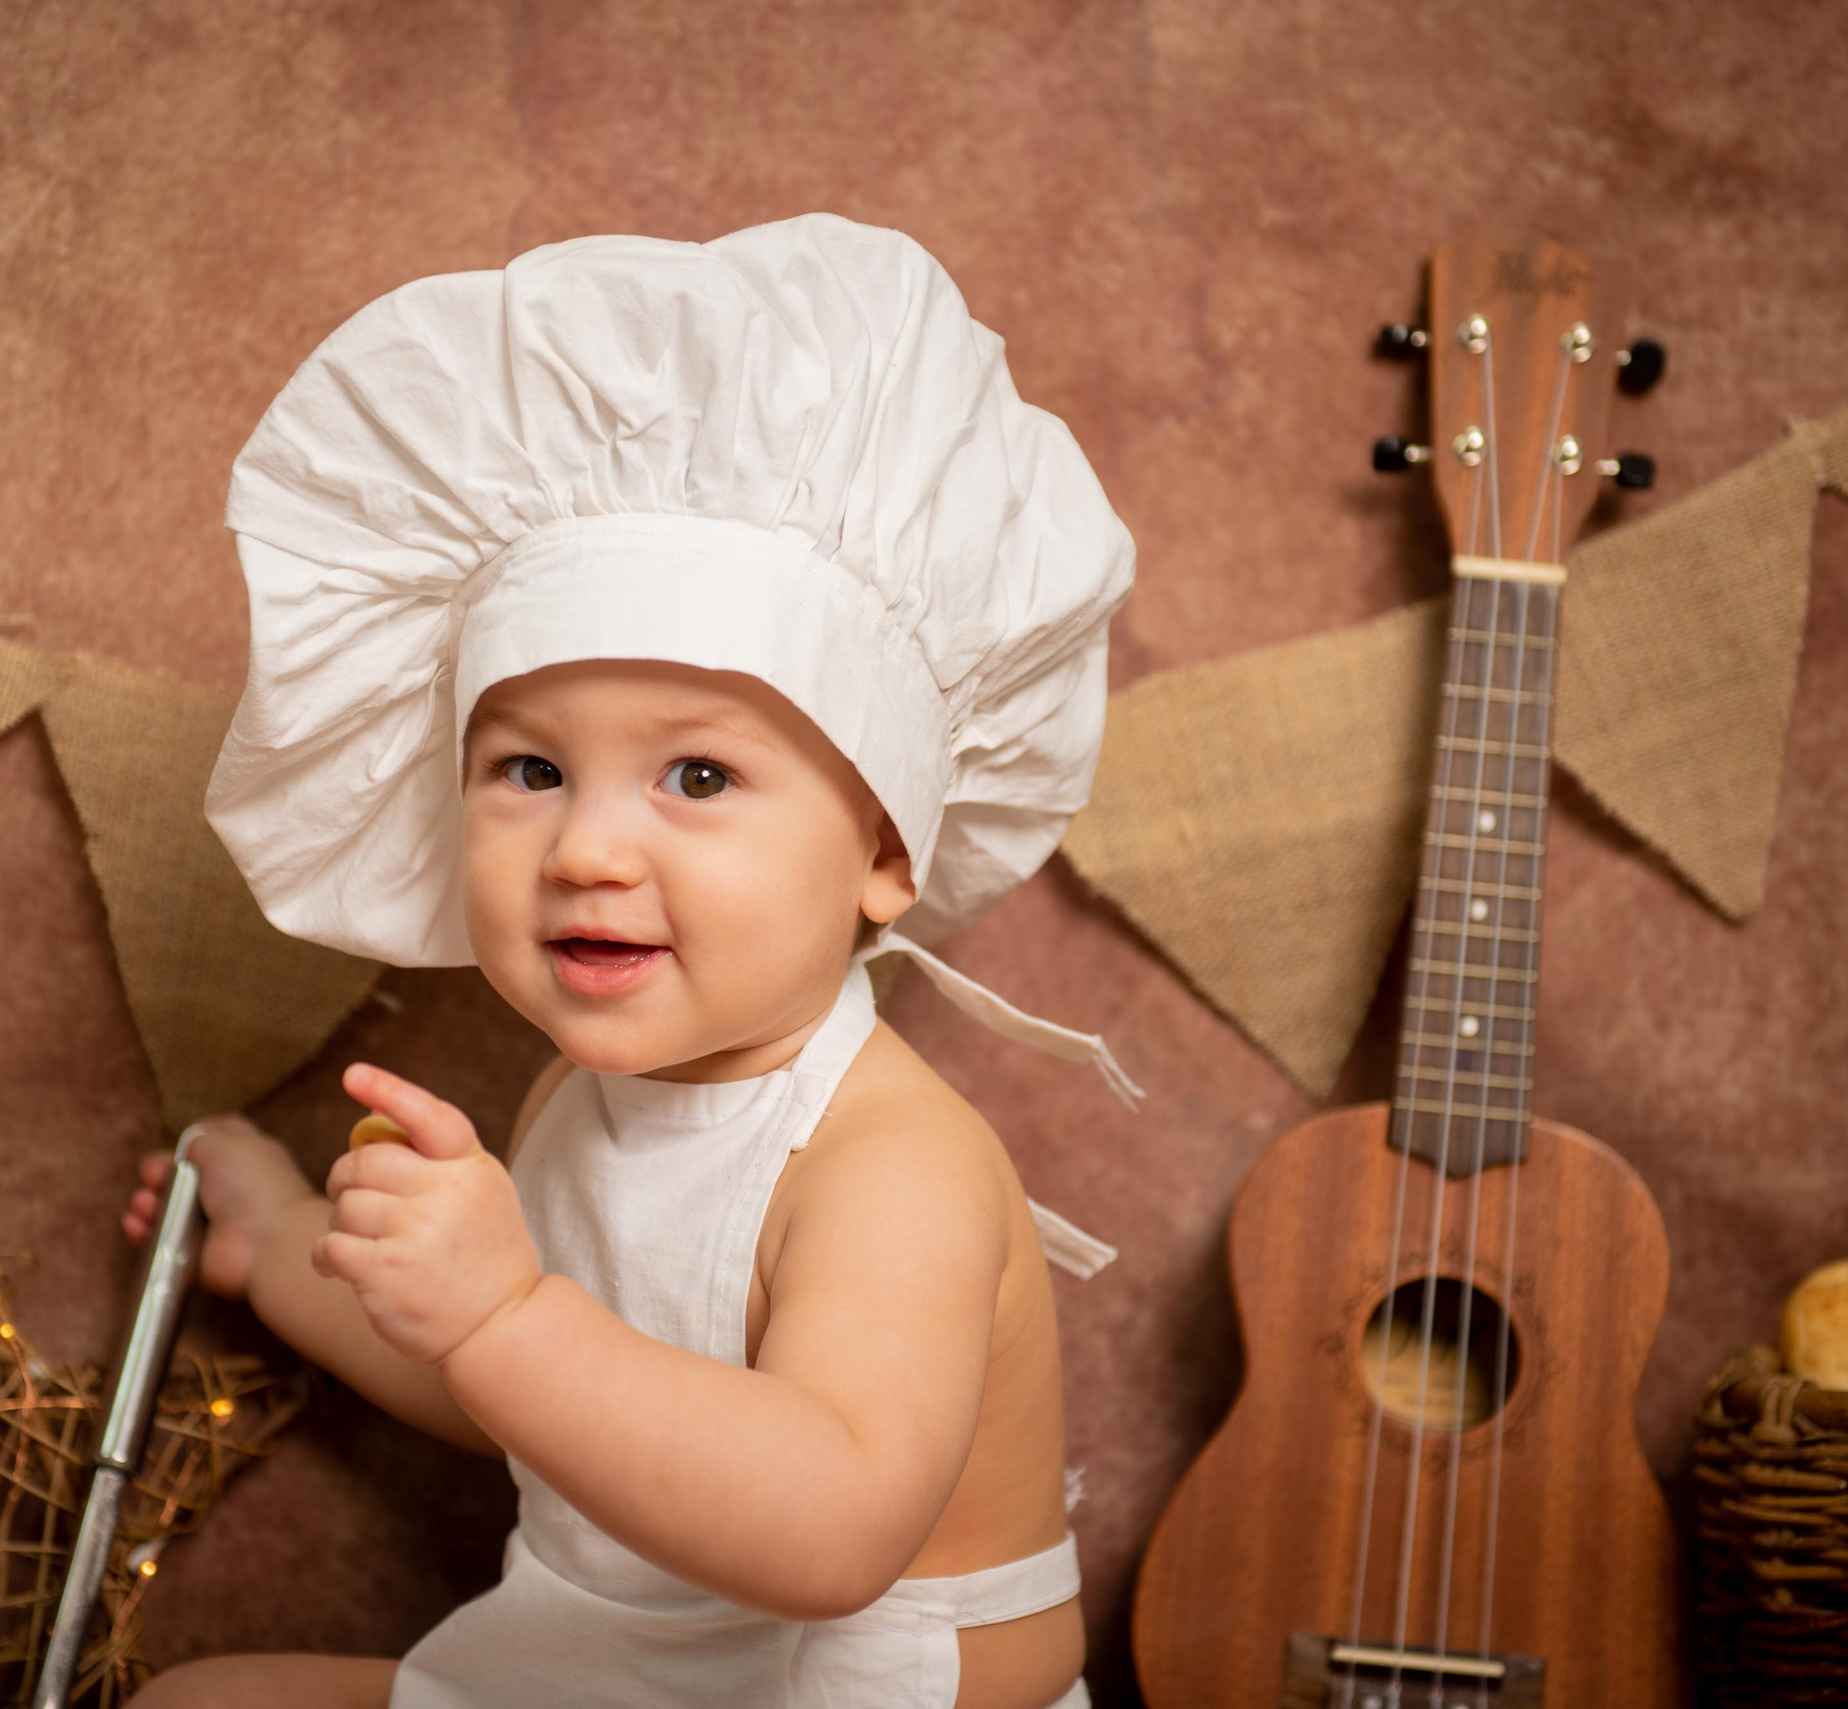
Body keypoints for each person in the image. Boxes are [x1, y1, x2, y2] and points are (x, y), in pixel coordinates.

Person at [122, 214, 1135, 1709]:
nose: (588, 849)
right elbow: (534, 1409)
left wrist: (505, 1314)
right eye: (528, 770)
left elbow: (834, 1525)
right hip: (613, 1663)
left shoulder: (889, 1163)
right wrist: (293, 1250)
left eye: (699, 779)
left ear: (883, 852)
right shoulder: (575, 1099)